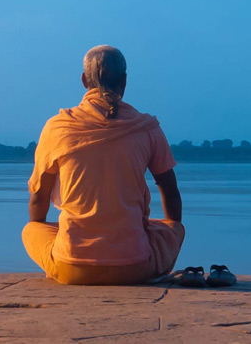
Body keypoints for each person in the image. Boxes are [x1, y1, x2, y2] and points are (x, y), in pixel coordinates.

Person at [22, 45, 185, 285]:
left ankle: (60, 263)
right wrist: (162, 232)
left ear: (83, 80)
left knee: (32, 230)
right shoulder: (147, 127)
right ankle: (150, 264)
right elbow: (170, 191)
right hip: (135, 266)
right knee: (172, 228)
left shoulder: (58, 127)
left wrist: (52, 235)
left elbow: (39, 197)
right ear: (124, 81)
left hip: (72, 267)